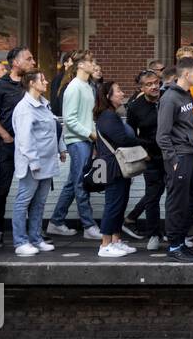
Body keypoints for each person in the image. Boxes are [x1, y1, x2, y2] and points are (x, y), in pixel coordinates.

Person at [46, 51, 102, 240]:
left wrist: (93, 136)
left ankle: (56, 222)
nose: (93, 64)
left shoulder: (88, 86)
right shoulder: (74, 88)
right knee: (81, 184)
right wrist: (91, 134)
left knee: (72, 183)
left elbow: (89, 116)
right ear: (79, 65)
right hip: (77, 141)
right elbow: (69, 120)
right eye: (90, 61)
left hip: (85, 140)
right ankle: (88, 225)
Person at [0, 45, 35, 248]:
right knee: (3, 187)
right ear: (16, 63)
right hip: (9, 144)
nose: (33, 62)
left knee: (32, 187)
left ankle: (32, 231)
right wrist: (5, 136)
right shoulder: (0, 85)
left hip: (30, 145)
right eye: (29, 59)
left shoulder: (30, 84)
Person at [10, 69, 65, 256]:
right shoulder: (25, 108)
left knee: (39, 203)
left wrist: (61, 148)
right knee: (23, 201)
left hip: (47, 162)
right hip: (33, 165)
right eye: (42, 79)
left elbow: (53, 128)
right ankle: (20, 241)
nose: (47, 82)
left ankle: (35, 238)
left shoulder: (44, 104)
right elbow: (25, 139)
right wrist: (33, 162)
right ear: (32, 83)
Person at [158, 57, 193, 263]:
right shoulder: (169, 98)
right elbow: (162, 135)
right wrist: (173, 160)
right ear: (186, 74)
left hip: (191, 153)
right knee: (177, 202)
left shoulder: (186, 95)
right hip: (180, 156)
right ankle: (175, 246)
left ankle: (180, 240)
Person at [93, 80, 140, 258]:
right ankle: (105, 245)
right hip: (113, 167)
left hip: (119, 167)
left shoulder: (112, 114)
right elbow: (122, 139)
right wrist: (143, 144)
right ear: (108, 96)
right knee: (113, 204)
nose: (122, 93)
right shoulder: (107, 116)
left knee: (120, 204)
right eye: (118, 91)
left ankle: (116, 240)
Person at [124, 69, 165, 250]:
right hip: (151, 156)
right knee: (152, 196)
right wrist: (143, 151)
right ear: (141, 87)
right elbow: (130, 134)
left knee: (178, 195)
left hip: (171, 155)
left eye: (156, 82)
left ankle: (178, 233)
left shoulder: (167, 98)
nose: (154, 86)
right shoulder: (135, 107)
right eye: (149, 84)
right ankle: (154, 234)